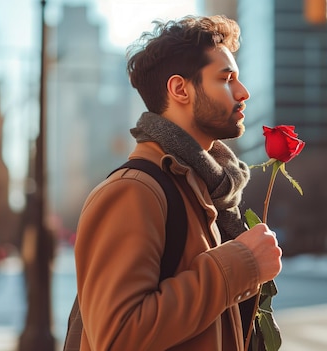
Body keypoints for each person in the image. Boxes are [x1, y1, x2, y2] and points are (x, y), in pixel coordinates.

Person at [73, 15, 282, 351]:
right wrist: (241, 265)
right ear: (180, 89)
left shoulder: (206, 191)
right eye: (226, 79)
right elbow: (117, 337)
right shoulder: (133, 191)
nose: (243, 92)